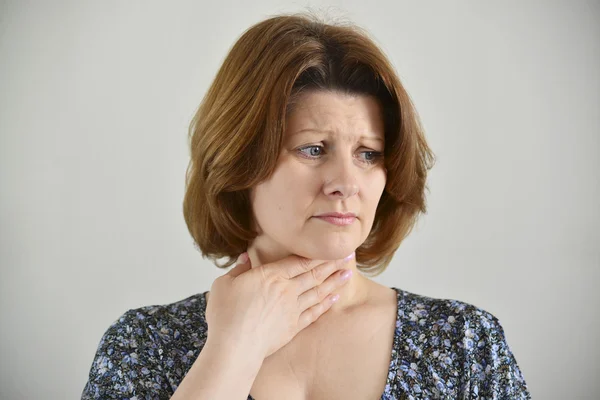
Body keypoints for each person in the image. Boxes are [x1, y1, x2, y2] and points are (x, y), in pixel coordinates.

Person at [81, 12, 531, 400]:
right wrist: (231, 352)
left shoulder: (464, 344)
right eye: (313, 149)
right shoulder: (143, 345)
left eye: (368, 153)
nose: (346, 184)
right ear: (240, 160)